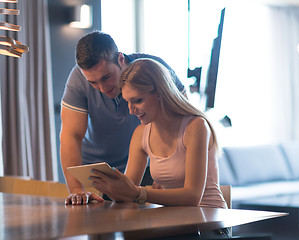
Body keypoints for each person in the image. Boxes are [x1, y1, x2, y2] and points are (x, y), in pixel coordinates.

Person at [61, 31, 186, 205]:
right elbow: (70, 137)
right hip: (99, 171)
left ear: (120, 59)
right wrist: (76, 190)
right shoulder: (78, 79)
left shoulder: (153, 69)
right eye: (93, 82)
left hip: (148, 165)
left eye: (106, 77)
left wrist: (167, 166)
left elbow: (183, 117)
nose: (102, 88)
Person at [89, 58, 227, 210]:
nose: (131, 110)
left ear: (160, 93)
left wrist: (139, 192)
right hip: (176, 221)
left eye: (137, 100)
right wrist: (98, 195)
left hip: (210, 222)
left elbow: (192, 197)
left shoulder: (196, 126)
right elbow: (128, 193)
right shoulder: (141, 134)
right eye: (127, 102)